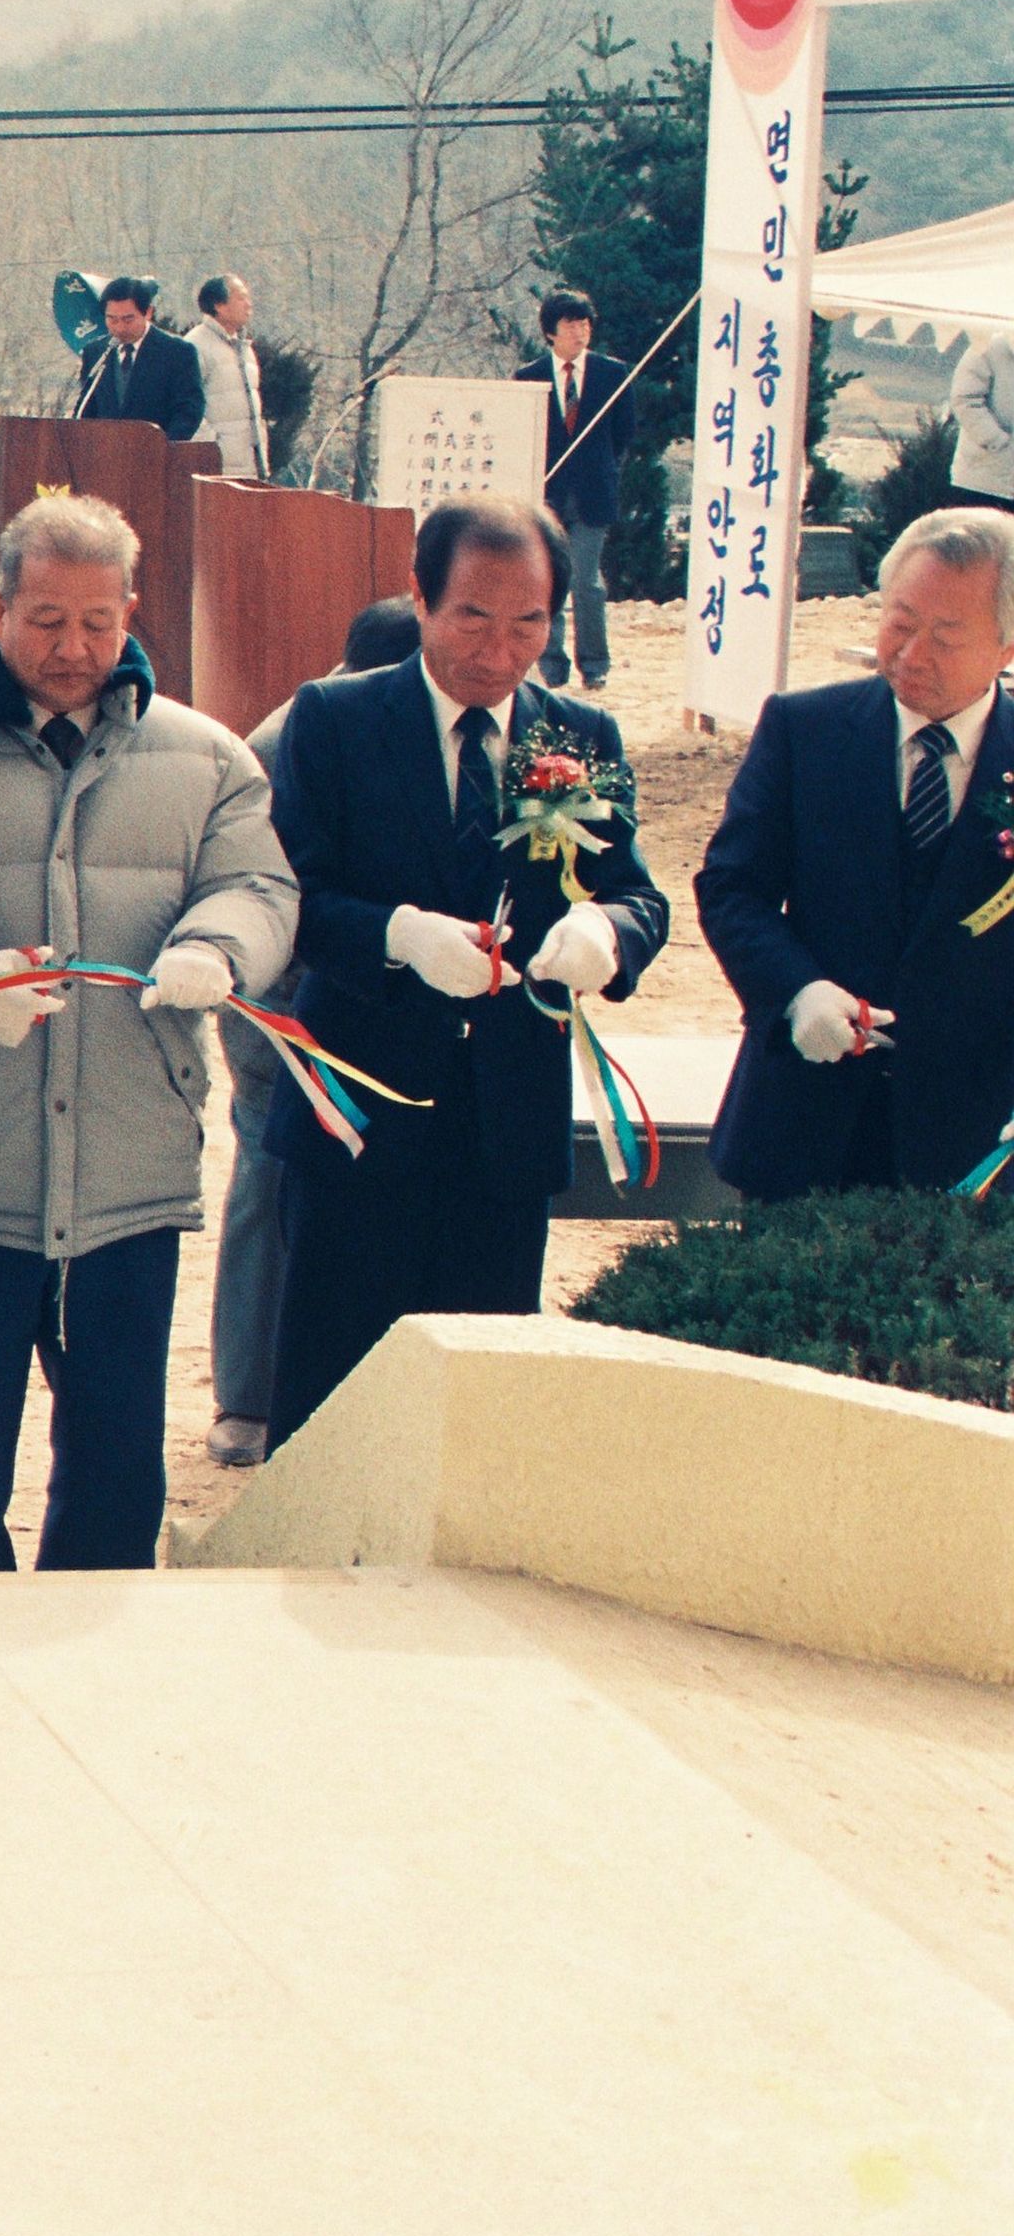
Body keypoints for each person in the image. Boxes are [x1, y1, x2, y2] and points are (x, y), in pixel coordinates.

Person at [0, 490, 296, 1573]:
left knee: (113, 1461)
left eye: (98, 622)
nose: (73, 648)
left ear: (132, 610)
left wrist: (216, 947)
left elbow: (256, 883)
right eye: (45, 620)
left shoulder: (205, 757)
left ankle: (89, 1660)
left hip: (127, 1162)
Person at [266, 495, 669, 1433]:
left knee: (473, 1415)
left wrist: (605, 934)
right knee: (332, 1402)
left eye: (529, 622)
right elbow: (291, 898)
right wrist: (399, 935)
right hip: (357, 1114)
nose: (499, 650)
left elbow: (640, 893)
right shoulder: (334, 718)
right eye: (473, 618)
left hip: (504, 1121)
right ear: (419, 598)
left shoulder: (580, 736)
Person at [697, 508, 1014, 1198]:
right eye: (899, 622)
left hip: (978, 1147)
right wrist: (796, 990)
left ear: (1006, 646)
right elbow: (732, 888)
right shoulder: (803, 730)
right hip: (805, 1123)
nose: (911, 653)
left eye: (946, 634)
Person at [205, 597, 421, 1468]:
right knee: (265, 1175)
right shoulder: (295, 738)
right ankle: (247, 1399)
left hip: (358, 1007)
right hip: (278, 1002)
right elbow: (271, 892)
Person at [515, 290, 631, 689]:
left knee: (585, 580)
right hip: (545, 496)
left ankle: (595, 664)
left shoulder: (614, 375)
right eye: (570, 325)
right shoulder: (528, 378)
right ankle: (551, 662)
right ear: (551, 332)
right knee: (548, 579)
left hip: (593, 496)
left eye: (585, 325)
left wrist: (599, 472)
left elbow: (624, 437)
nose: (580, 333)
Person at [72, 276, 206, 441]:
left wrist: (165, 447)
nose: (120, 328)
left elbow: (189, 410)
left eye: (128, 319)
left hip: (156, 455)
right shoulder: (96, 353)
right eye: (112, 319)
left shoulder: (178, 352)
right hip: (105, 455)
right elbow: (86, 409)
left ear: (148, 312)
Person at [188, 276, 269, 481]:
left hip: (251, 464)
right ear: (219, 306)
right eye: (241, 298)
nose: (248, 304)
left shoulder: (243, 347)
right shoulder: (195, 346)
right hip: (218, 468)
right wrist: (213, 446)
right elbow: (187, 406)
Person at [954, 328, 1014, 513]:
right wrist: (998, 441)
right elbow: (965, 400)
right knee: (980, 541)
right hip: (983, 481)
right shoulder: (988, 344)